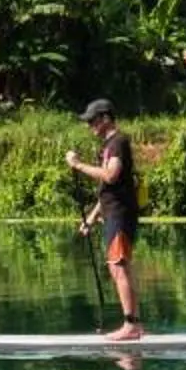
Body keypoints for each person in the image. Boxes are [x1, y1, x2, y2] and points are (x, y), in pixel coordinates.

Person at [64, 99, 143, 340]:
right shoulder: (108, 145)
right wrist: (91, 217)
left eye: (92, 121)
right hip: (112, 212)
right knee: (119, 268)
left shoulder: (117, 142)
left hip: (120, 214)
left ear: (105, 118)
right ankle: (135, 325)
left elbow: (110, 175)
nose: (89, 126)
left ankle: (131, 326)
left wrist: (77, 165)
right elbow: (107, 191)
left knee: (119, 268)